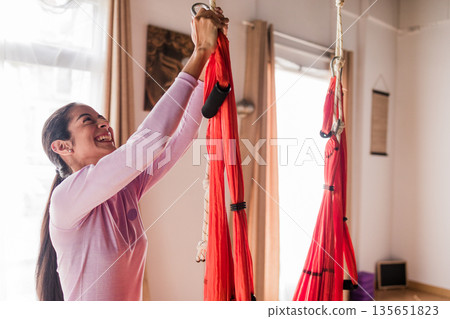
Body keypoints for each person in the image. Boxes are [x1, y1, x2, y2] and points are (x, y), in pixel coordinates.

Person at [35, 7, 228, 301]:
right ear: (63, 147)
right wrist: (200, 50)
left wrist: (211, 59)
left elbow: (180, 136)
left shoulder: (124, 188)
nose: (104, 123)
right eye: (88, 121)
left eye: (102, 117)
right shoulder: (65, 200)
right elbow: (147, 143)